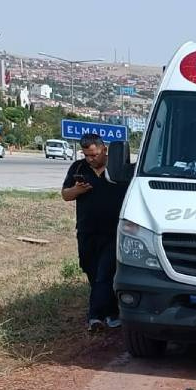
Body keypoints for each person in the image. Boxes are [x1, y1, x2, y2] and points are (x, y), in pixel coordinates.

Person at [61, 133, 128, 331]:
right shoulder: (78, 168)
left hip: (112, 232)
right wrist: (78, 190)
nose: (91, 159)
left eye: (95, 155)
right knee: (91, 271)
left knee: (104, 274)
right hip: (87, 231)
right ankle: (109, 312)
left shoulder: (119, 170)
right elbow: (65, 195)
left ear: (104, 150)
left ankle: (95, 317)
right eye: (87, 155)